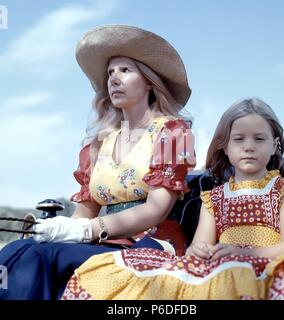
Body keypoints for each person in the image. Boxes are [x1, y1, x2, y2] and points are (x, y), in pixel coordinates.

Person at [0, 25, 196, 300]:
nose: (114, 79)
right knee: (17, 250)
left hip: (152, 242)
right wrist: (62, 229)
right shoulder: (97, 145)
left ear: (150, 81)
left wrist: (87, 230)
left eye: (125, 71)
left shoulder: (173, 133)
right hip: (104, 241)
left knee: (37, 258)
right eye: (110, 73)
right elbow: (84, 213)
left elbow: (156, 210)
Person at [62, 98, 284, 300]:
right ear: (225, 147)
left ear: (274, 146)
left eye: (259, 139)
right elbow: (196, 248)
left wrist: (243, 252)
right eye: (239, 139)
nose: (249, 147)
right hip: (223, 267)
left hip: (269, 265)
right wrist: (201, 251)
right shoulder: (214, 198)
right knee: (124, 269)